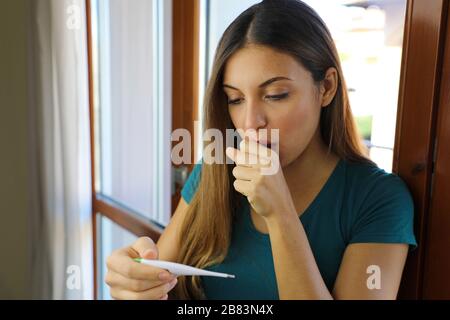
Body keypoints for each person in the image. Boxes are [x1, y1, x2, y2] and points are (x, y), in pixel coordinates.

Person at [105, 0, 417, 300]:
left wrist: (281, 214)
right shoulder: (216, 168)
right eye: (235, 99)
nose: (250, 122)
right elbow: (161, 282)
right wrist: (135, 280)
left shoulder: (378, 199)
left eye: (276, 95)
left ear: (327, 87)